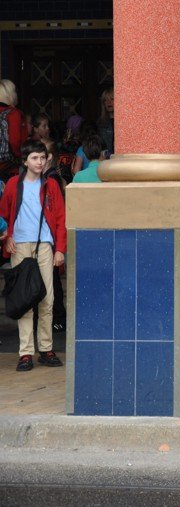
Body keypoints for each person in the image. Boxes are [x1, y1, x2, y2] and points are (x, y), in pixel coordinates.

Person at [0, 139, 67, 372]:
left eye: (42, 157)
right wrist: (6, 237)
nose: (39, 161)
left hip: (45, 245)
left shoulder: (51, 185)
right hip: (19, 246)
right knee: (25, 300)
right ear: (25, 161)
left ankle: (46, 348)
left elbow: (61, 218)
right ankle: (26, 353)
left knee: (47, 298)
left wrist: (60, 249)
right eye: (34, 158)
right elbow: (3, 215)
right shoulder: (13, 184)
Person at [0, 79, 28, 180]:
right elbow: (15, 141)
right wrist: (20, 157)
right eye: (14, 91)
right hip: (10, 167)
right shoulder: (14, 114)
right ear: (10, 94)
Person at [97, 87, 115, 157]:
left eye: (112, 99)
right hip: (107, 160)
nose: (108, 102)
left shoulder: (124, 121)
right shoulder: (101, 123)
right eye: (105, 100)